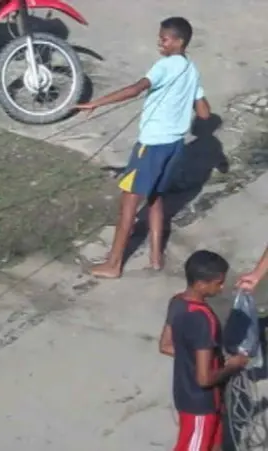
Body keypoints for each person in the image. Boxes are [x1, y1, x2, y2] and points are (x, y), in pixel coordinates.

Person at [76, 17, 211, 278]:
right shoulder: (191, 69)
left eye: (165, 39)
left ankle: (114, 264)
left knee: (128, 203)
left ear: (179, 41)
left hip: (151, 145)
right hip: (175, 146)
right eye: (160, 37)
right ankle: (155, 258)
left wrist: (96, 103)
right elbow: (204, 113)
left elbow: (136, 89)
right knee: (155, 198)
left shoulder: (164, 65)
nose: (160, 42)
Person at [158, 250, 249, 451]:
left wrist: (196, 359)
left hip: (185, 392)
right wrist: (232, 365)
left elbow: (165, 345)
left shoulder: (178, 302)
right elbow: (204, 379)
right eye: (218, 283)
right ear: (201, 284)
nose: (222, 287)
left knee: (215, 444)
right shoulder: (203, 321)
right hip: (201, 404)